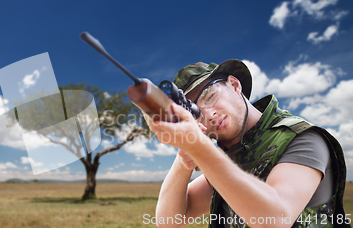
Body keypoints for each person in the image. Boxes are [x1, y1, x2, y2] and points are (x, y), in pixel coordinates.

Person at [146, 60, 348, 228]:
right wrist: (185, 155)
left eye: (210, 96)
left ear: (234, 85)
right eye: (195, 112)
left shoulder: (302, 138)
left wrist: (200, 148)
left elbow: (275, 220)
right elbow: (170, 221)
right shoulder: (228, 156)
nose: (209, 113)